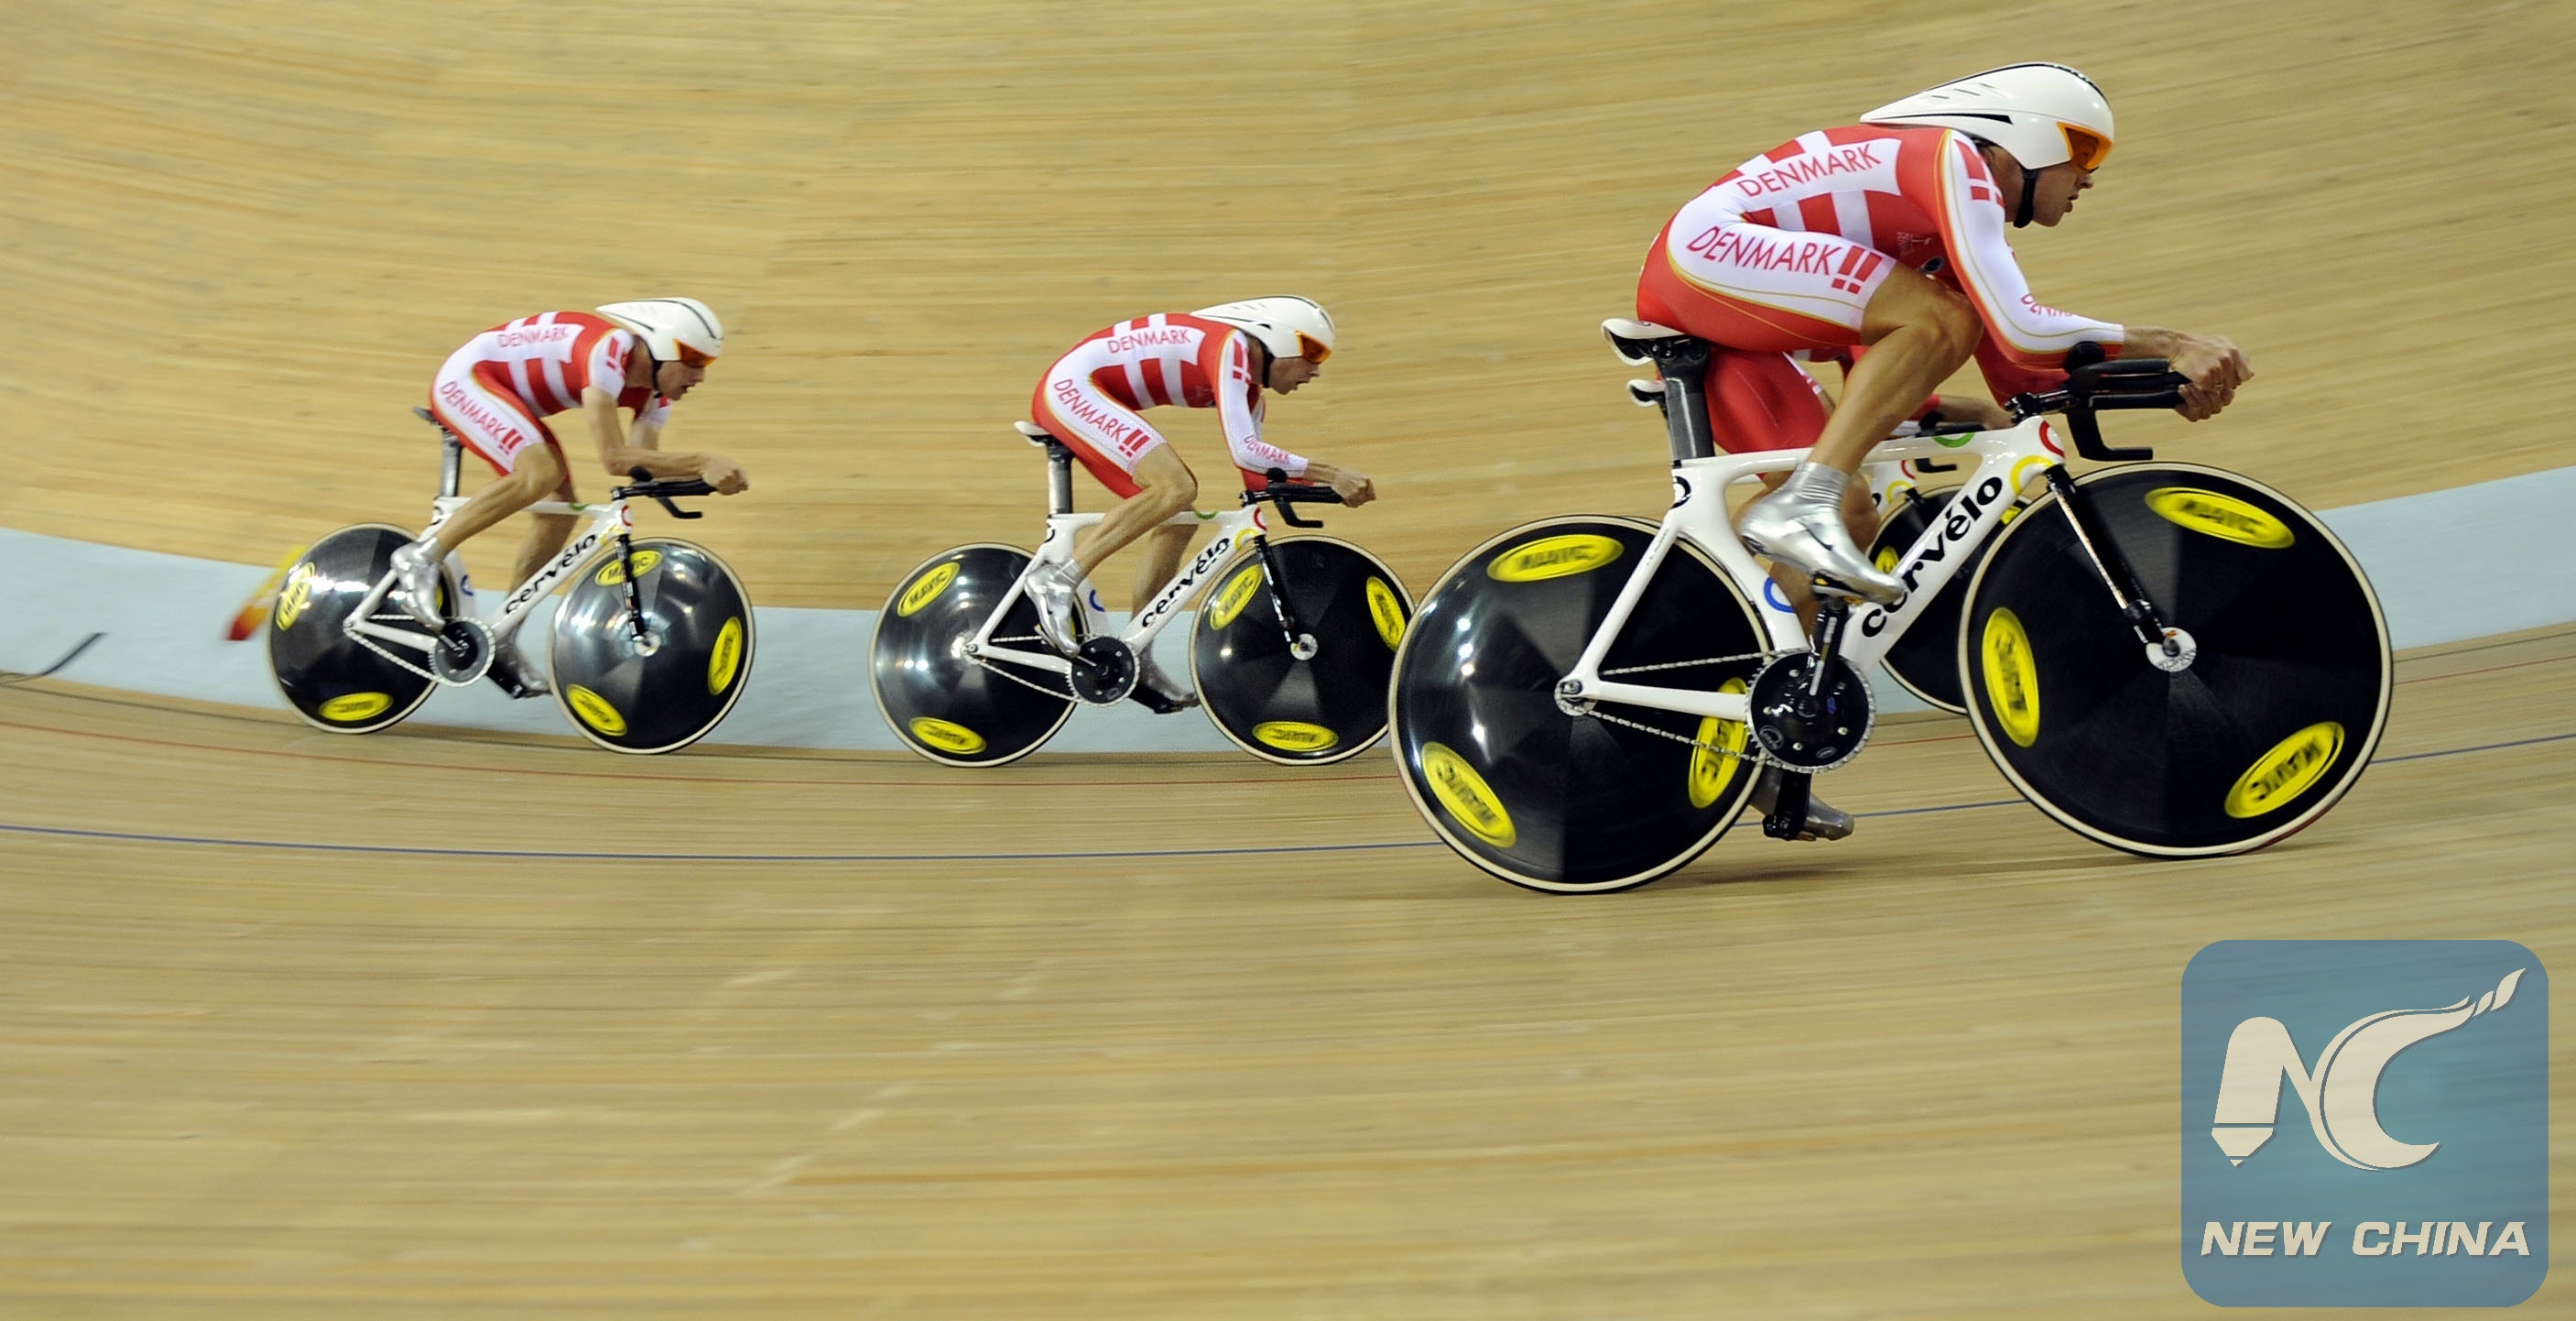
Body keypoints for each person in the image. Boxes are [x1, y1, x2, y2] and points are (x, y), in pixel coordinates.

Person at [1634, 61, 2251, 839]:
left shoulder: (1943, 228)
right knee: (1939, 322)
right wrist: (2170, 340)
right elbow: (2013, 326)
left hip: (1726, 314)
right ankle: (1802, 503)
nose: (2090, 177)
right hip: (1703, 259)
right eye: (2083, 150)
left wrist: (2161, 381)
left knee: (1851, 510)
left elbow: (2019, 371)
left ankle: (1745, 733)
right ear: (2022, 139)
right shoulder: (1953, 162)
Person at [1020, 297, 1376, 709]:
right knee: (1176, 488)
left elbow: (1257, 475)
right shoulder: (1231, 348)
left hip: (1084, 391)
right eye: (1312, 352)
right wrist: (1332, 473)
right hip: (1071, 387)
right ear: (1276, 338)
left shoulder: (1250, 393)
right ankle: (1058, 579)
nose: (1316, 369)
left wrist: (1328, 491)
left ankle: (1138, 652)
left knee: (1179, 519)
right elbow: (1246, 451)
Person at [388, 299, 750, 696]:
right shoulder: (607, 354)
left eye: (707, 363)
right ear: (661, 347)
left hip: (507, 397)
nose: (700, 375)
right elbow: (615, 458)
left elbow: (640, 465)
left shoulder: (656, 397)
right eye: (694, 360)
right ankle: (421, 557)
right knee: (540, 473)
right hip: (469, 379)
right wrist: (702, 461)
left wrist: (707, 479)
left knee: (559, 511)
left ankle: (504, 634)